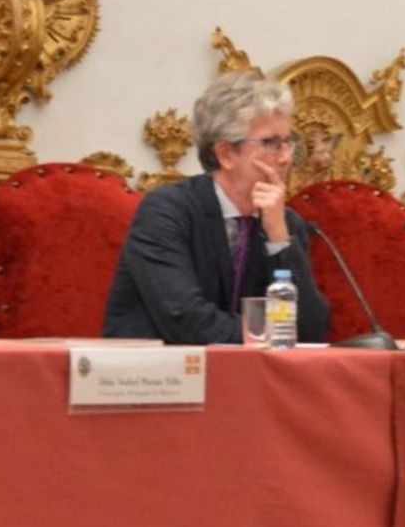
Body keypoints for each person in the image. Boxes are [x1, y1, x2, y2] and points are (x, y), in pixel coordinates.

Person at [102, 69, 330, 344]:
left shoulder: (284, 222)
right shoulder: (167, 212)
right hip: (162, 368)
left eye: (288, 143)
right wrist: (271, 336)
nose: (285, 158)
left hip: (248, 369)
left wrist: (279, 240)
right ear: (226, 154)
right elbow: (186, 320)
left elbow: (310, 330)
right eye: (271, 143)